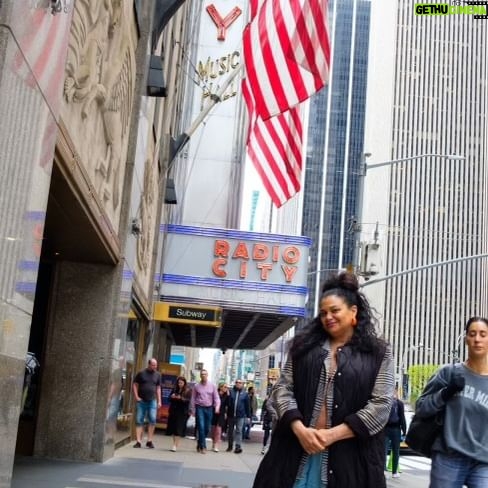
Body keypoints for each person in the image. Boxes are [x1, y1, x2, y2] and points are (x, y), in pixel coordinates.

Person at [253, 271, 395, 488]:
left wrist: (331, 435)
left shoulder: (378, 353)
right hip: (293, 453)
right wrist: (300, 429)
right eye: (323, 313)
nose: (328, 317)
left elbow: (381, 406)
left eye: (335, 310)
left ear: (353, 311)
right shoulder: (303, 348)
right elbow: (282, 390)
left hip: (352, 464)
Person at [415, 316, 488, 488]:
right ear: (466, 340)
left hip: (484, 462)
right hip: (449, 458)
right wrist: (445, 393)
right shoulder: (448, 373)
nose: (477, 339)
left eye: (483, 334)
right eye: (472, 334)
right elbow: (421, 408)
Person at [132, 358, 162, 448]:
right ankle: (138, 441)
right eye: (153, 365)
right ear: (149, 364)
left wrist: (159, 401)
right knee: (139, 420)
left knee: (152, 419)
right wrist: (136, 396)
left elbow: (158, 388)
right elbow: (135, 384)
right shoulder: (141, 373)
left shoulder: (158, 375)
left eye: (156, 365)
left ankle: (149, 441)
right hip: (141, 401)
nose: (155, 367)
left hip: (152, 400)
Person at [190, 369, 220, 453]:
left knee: (207, 428)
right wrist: (193, 409)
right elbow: (193, 398)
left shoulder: (212, 386)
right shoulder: (196, 386)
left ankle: (199, 443)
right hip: (200, 407)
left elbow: (216, 398)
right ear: (200, 376)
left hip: (209, 408)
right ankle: (203, 446)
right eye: (202, 374)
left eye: (205, 374)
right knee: (201, 427)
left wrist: (217, 407)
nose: (203, 375)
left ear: (207, 375)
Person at [384, 387, 407, 478]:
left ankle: (389, 471)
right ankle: (389, 472)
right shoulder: (394, 403)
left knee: (390, 451)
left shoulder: (395, 403)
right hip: (391, 429)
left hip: (391, 429)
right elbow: (402, 418)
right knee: (390, 451)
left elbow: (402, 417)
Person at [166, 376, 191, 452]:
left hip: (182, 412)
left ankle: (175, 445)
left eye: (181, 383)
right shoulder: (174, 389)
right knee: (174, 428)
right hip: (173, 411)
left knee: (178, 428)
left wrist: (181, 398)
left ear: (184, 383)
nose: (180, 384)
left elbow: (188, 400)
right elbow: (168, 399)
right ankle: (174, 443)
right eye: (179, 382)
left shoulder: (188, 390)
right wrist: (172, 396)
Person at [226, 379, 251, 453]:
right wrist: (228, 396)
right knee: (230, 431)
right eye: (237, 382)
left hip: (240, 415)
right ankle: (230, 446)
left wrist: (248, 416)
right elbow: (228, 403)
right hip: (231, 415)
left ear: (242, 384)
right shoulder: (231, 392)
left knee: (239, 431)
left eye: (240, 383)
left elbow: (247, 406)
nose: (238, 384)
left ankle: (238, 446)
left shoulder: (245, 394)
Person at [211, 383, 230, 452]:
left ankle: (216, 445)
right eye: (225, 387)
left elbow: (228, 404)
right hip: (214, 413)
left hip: (221, 414)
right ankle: (213, 442)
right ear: (220, 387)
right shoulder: (215, 394)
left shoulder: (226, 396)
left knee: (218, 430)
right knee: (213, 430)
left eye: (227, 387)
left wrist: (228, 396)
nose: (226, 388)